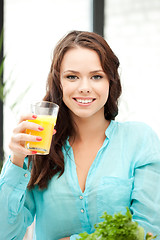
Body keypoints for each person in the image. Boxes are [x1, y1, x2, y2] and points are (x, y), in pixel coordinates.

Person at [0, 30, 160, 240]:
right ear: (59, 82)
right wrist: (17, 159)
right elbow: (5, 234)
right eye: (72, 76)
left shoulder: (140, 139)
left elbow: (148, 233)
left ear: (110, 81)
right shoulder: (39, 146)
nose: (84, 88)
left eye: (96, 76)